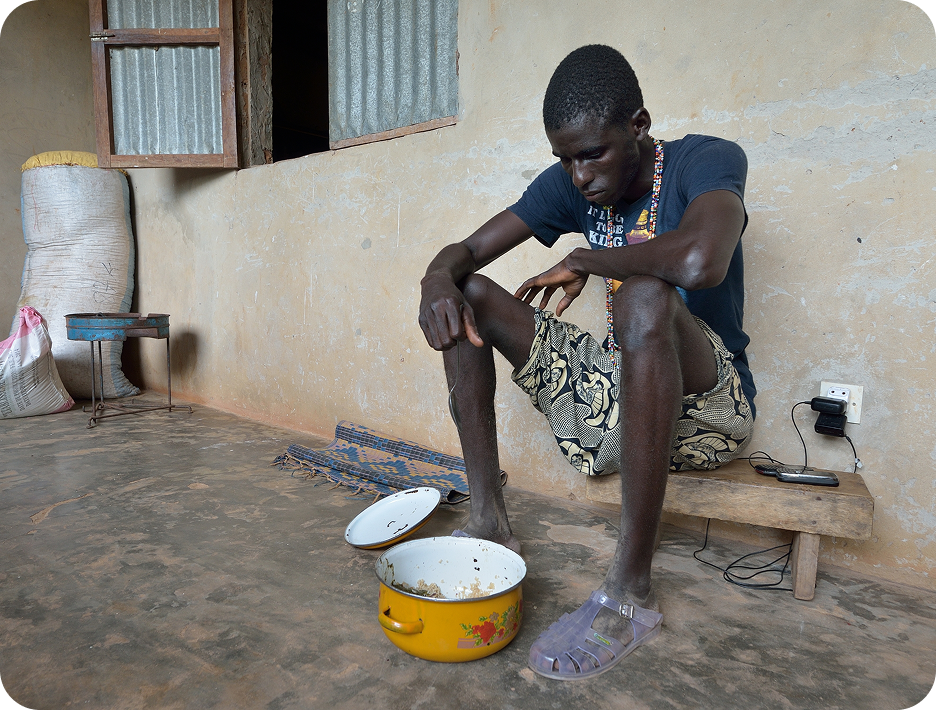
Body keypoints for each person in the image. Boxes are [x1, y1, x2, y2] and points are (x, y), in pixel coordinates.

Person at [417, 44, 755, 680]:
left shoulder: (704, 160)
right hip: (617, 392)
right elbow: (467, 250)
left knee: (647, 294)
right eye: (565, 160)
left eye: (592, 154)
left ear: (639, 124)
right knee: (467, 297)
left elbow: (699, 260)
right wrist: (436, 278)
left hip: (709, 408)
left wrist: (590, 259)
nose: (579, 177)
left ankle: (630, 590)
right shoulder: (572, 184)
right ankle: (490, 522)